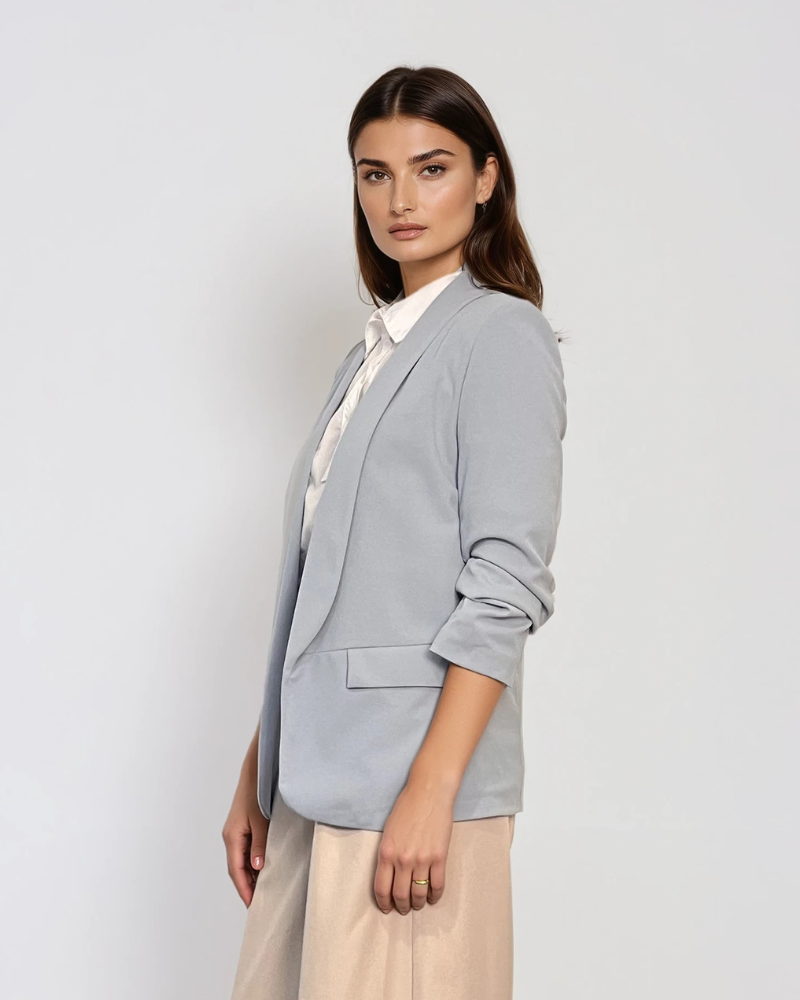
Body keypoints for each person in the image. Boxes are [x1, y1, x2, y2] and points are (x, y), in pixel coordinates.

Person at [223, 64, 568, 1000]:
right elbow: (329, 592)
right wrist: (262, 768)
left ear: (486, 178)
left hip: (413, 793)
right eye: (375, 174)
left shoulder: (500, 337)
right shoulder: (371, 355)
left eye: (431, 167)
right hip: (316, 783)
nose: (400, 199)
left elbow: (506, 583)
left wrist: (432, 789)